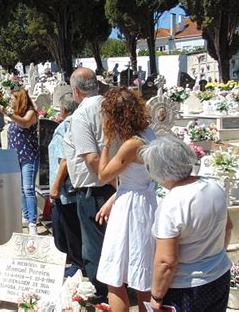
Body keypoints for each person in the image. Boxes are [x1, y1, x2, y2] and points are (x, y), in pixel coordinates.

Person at [140, 136, 232, 311]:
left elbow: (167, 261)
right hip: (219, 274)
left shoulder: (172, 204)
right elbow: (228, 227)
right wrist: (212, 257)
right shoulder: (214, 186)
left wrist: (156, 296)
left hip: (187, 287)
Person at [95, 87, 157, 312]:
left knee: (115, 276)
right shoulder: (149, 133)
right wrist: (113, 199)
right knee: (144, 277)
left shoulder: (132, 144)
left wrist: (105, 141)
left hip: (130, 208)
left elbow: (103, 175)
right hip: (145, 202)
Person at [63, 68, 115, 302]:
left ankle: (103, 295)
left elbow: (92, 159)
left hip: (96, 191)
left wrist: (115, 182)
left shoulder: (82, 114)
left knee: (94, 248)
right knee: (114, 243)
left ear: (75, 91)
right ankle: (120, 289)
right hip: (116, 186)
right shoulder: (110, 104)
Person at [0, 88, 39, 235]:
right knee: (20, 189)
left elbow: (25, 123)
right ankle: (25, 215)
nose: (10, 101)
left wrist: (6, 112)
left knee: (28, 189)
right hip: (15, 157)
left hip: (28, 157)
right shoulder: (15, 115)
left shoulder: (30, 112)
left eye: (13, 98)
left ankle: (33, 223)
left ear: (20, 99)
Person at [48, 93, 84, 277]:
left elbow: (64, 160)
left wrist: (55, 186)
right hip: (74, 186)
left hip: (65, 188)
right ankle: (77, 262)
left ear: (63, 110)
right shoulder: (78, 123)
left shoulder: (64, 127)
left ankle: (77, 264)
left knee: (69, 228)